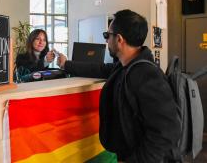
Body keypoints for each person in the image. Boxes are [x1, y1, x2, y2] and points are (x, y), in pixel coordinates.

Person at [57, 10, 180, 163]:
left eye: (107, 35)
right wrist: (66, 64)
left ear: (119, 39)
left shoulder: (146, 74)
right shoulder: (125, 67)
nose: (106, 41)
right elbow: (100, 69)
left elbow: (166, 132)